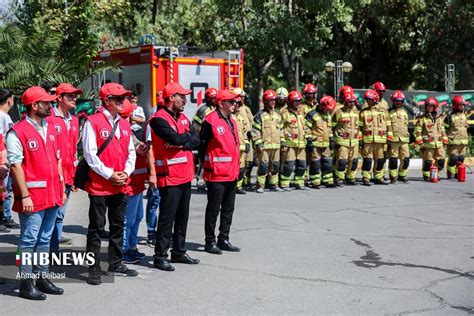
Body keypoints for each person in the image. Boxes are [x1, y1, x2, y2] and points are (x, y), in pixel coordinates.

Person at [7, 86, 66, 300]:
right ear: (34, 105)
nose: (50, 105)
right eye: (46, 102)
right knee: (28, 240)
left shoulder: (48, 127)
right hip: (33, 197)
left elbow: (57, 159)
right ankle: (26, 282)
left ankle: (41, 277)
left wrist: (61, 188)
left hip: (52, 194)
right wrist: (24, 196)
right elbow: (15, 166)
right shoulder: (18, 131)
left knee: (44, 239)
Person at [82, 83, 138, 285]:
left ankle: (116, 263)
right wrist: (110, 174)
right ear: (107, 101)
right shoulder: (93, 121)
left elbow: (131, 151)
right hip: (100, 185)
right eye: (119, 98)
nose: (124, 102)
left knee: (117, 225)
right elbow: (90, 154)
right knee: (96, 227)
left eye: (125, 98)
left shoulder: (123, 123)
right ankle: (93, 268)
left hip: (120, 184)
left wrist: (125, 172)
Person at [149, 82, 200, 271]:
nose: (185, 100)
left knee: (182, 217)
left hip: (185, 174)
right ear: (171, 98)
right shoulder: (158, 119)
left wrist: (182, 142)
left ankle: (178, 251)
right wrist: (182, 140)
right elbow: (175, 139)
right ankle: (160, 256)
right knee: (167, 218)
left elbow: (197, 140)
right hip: (169, 176)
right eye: (182, 96)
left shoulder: (183, 118)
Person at [199, 90, 241, 254]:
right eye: (231, 102)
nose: (234, 104)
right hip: (216, 174)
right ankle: (210, 242)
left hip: (231, 172)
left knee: (228, 208)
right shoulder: (210, 121)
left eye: (235, 102)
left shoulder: (232, 121)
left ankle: (224, 238)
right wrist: (204, 167)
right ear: (221, 103)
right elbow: (202, 146)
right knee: (213, 209)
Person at [46, 83, 82, 251]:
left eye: (75, 96)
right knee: (48, 216)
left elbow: (73, 151)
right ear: (59, 98)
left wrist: (74, 177)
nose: (74, 99)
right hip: (51, 176)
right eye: (70, 96)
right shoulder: (48, 118)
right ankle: (42, 252)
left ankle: (54, 250)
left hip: (67, 177)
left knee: (60, 215)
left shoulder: (74, 120)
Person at [252, 89, 283, 193]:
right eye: (271, 100)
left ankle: (273, 184)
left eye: (274, 100)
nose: (274, 102)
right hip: (264, 146)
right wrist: (258, 144)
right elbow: (255, 131)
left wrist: (282, 143)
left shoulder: (278, 115)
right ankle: (260, 185)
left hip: (276, 146)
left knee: (275, 166)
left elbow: (281, 130)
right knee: (263, 166)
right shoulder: (259, 115)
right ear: (265, 101)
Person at [358, 89, 391, 186]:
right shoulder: (363, 112)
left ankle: (379, 178)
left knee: (380, 160)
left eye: (369, 99)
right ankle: (366, 178)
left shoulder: (384, 112)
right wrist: (360, 139)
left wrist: (389, 139)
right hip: (367, 141)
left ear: (375, 99)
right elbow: (359, 128)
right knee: (367, 160)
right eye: (367, 99)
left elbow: (389, 126)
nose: (367, 101)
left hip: (381, 141)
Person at [280, 90, 310, 191]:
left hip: (301, 145)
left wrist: (308, 137)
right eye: (295, 101)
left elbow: (304, 127)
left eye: (299, 101)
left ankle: (299, 183)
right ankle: (285, 184)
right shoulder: (284, 113)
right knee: (289, 165)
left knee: (302, 165)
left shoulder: (300, 114)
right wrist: (282, 141)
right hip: (290, 145)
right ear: (289, 102)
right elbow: (279, 128)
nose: (298, 103)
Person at [305, 95, 337, 188]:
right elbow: (307, 128)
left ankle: (327, 180)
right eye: (327, 109)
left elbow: (329, 128)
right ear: (322, 106)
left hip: (326, 143)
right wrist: (309, 140)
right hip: (315, 144)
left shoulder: (328, 115)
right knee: (315, 163)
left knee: (327, 162)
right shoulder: (311, 114)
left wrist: (331, 139)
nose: (328, 111)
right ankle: (315, 181)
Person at [414, 97, 448, 181]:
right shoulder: (422, 119)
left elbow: (442, 129)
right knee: (428, 162)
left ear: (435, 107)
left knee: (441, 160)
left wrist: (445, 139)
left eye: (431, 106)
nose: (429, 108)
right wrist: (420, 142)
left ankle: (435, 173)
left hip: (439, 144)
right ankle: (426, 176)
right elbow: (417, 132)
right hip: (428, 145)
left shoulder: (439, 118)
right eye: (427, 106)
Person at [0, 89, 19, 230]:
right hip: (3, 156)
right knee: (4, 189)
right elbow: (8, 139)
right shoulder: (5, 117)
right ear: (9, 100)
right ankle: (5, 217)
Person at [193, 87, 218, 193]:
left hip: (214, 140)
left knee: (212, 162)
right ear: (208, 99)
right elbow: (195, 125)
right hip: (203, 140)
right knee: (202, 162)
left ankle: (210, 181)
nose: (215, 100)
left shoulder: (218, 109)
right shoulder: (203, 110)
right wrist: (198, 139)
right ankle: (200, 182)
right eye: (213, 98)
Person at [332, 91, 360, 186]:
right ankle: (339, 178)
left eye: (353, 101)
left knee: (354, 161)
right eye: (350, 101)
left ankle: (350, 178)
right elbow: (333, 126)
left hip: (354, 141)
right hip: (342, 141)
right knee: (342, 161)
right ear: (345, 101)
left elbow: (359, 127)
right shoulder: (338, 112)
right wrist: (333, 139)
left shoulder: (356, 113)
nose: (352, 103)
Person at [388, 90, 410, 183]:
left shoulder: (405, 112)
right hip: (394, 140)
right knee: (393, 160)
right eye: (396, 101)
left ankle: (402, 175)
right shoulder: (389, 112)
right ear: (393, 101)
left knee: (406, 159)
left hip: (404, 140)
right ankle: (393, 177)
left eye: (400, 101)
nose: (398, 103)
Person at [232, 91, 252, 194]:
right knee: (232, 168)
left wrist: (247, 143)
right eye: (235, 103)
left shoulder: (240, 117)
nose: (237, 105)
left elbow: (245, 132)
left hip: (242, 148)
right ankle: (231, 187)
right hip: (232, 149)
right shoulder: (228, 116)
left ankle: (238, 187)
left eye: (238, 103)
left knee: (241, 169)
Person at [445, 96, 469, 179]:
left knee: (461, 158)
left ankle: (457, 173)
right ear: (455, 105)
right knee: (453, 158)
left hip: (463, 142)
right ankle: (450, 173)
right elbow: (445, 128)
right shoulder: (450, 116)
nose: (462, 106)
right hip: (453, 141)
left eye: (463, 105)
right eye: (460, 105)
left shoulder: (464, 115)